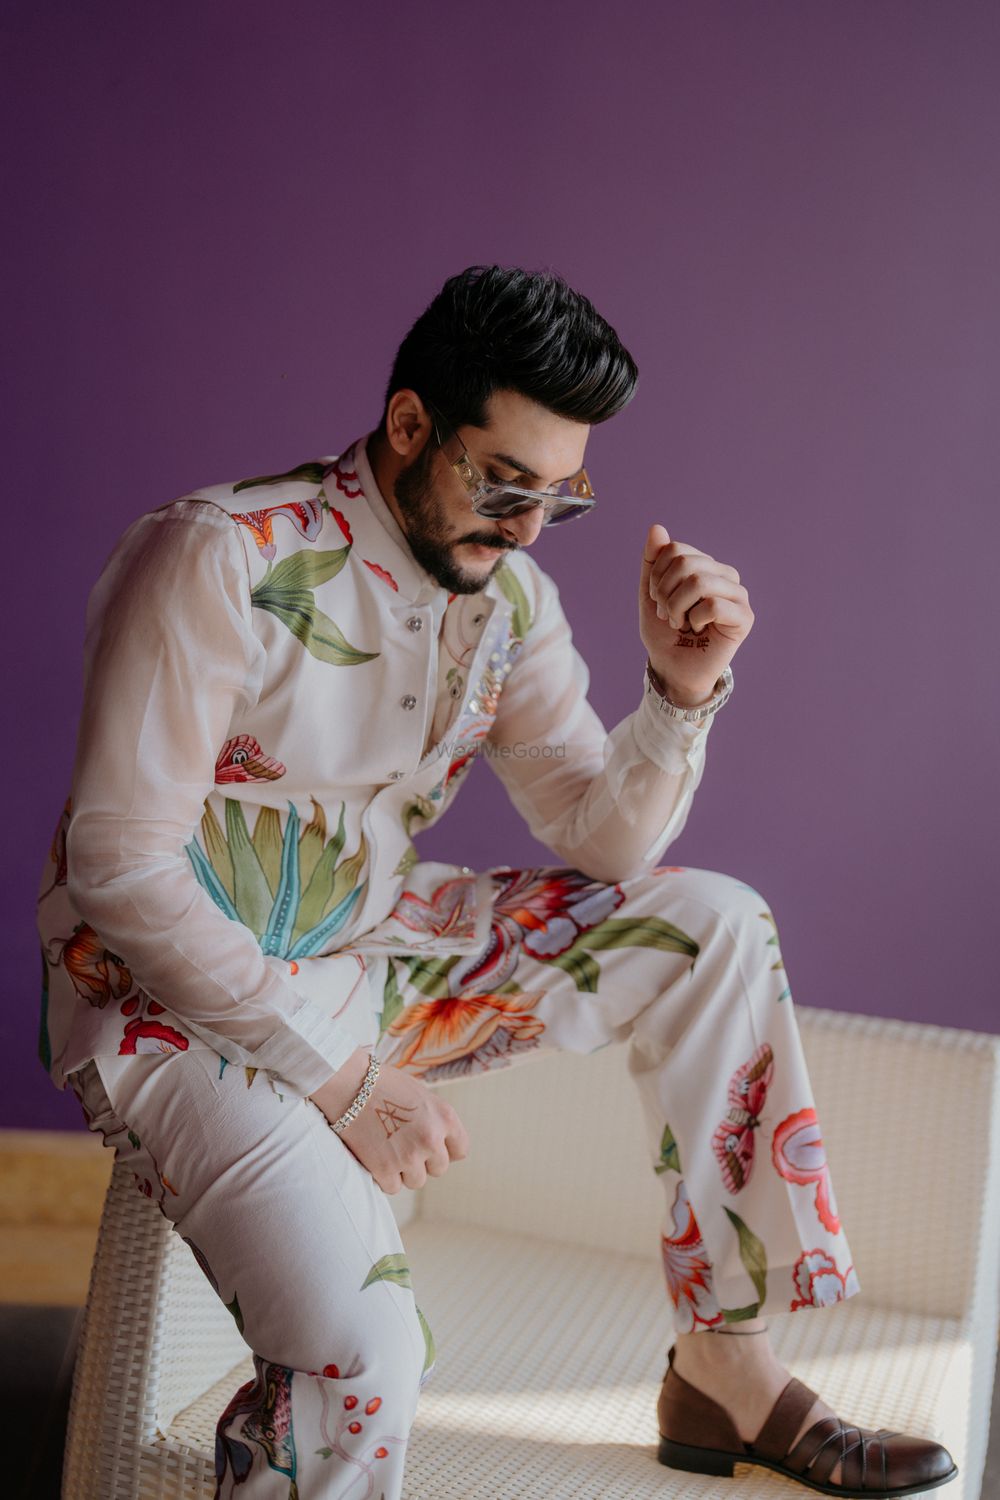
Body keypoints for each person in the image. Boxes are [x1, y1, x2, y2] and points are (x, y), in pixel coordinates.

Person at [36, 265, 956, 1499]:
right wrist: (347, 1081)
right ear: (410, 425)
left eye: (558, 497)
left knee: (713, 923)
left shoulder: (508, 595)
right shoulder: (215, 557)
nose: (526, 526)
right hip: (174, 1003)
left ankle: (724, 1369)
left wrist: (681, 694)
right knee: (366, 1351)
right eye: (502, 484)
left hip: (374, 941)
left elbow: (600, 833)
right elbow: (118, 863)